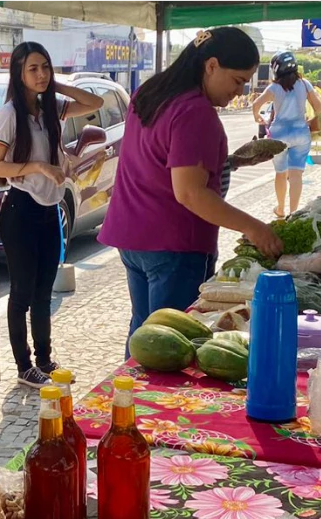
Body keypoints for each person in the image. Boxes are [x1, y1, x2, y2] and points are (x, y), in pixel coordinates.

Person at [97, 28, 282, 353]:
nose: (240, 91)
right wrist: (254, 227)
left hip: (132, 234)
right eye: (238, 80)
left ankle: (129, 398)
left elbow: (160, 161)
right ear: (211, 66)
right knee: (170, 344)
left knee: (145, 333)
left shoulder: (152, 91)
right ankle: (147, 401)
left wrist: (231, 162)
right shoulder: (195, 111)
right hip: (173, 244)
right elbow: (190, 193)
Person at [0, 42, 104, 387]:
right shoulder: (11, 113)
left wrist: (54, 86)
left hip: (49, 211)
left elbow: (94, 103)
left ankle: (45, 360)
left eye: (45, 68)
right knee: (21, 293)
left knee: (43, 291)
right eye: (33, 69)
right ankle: (24, 368)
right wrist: (38, 165)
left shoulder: (49, 109)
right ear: (18, 74)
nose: (41, 75)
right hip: (20, 212)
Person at [252, 52, 321, 218]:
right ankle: (294, 212)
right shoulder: (305, 84)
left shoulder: (274, 88)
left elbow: (256, 104)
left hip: (279, 135)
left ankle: (281, 208)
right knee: (296, 173)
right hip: (301, 132)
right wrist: (310, 118)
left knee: (281, 173)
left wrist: (258, 117)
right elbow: (319, 107)